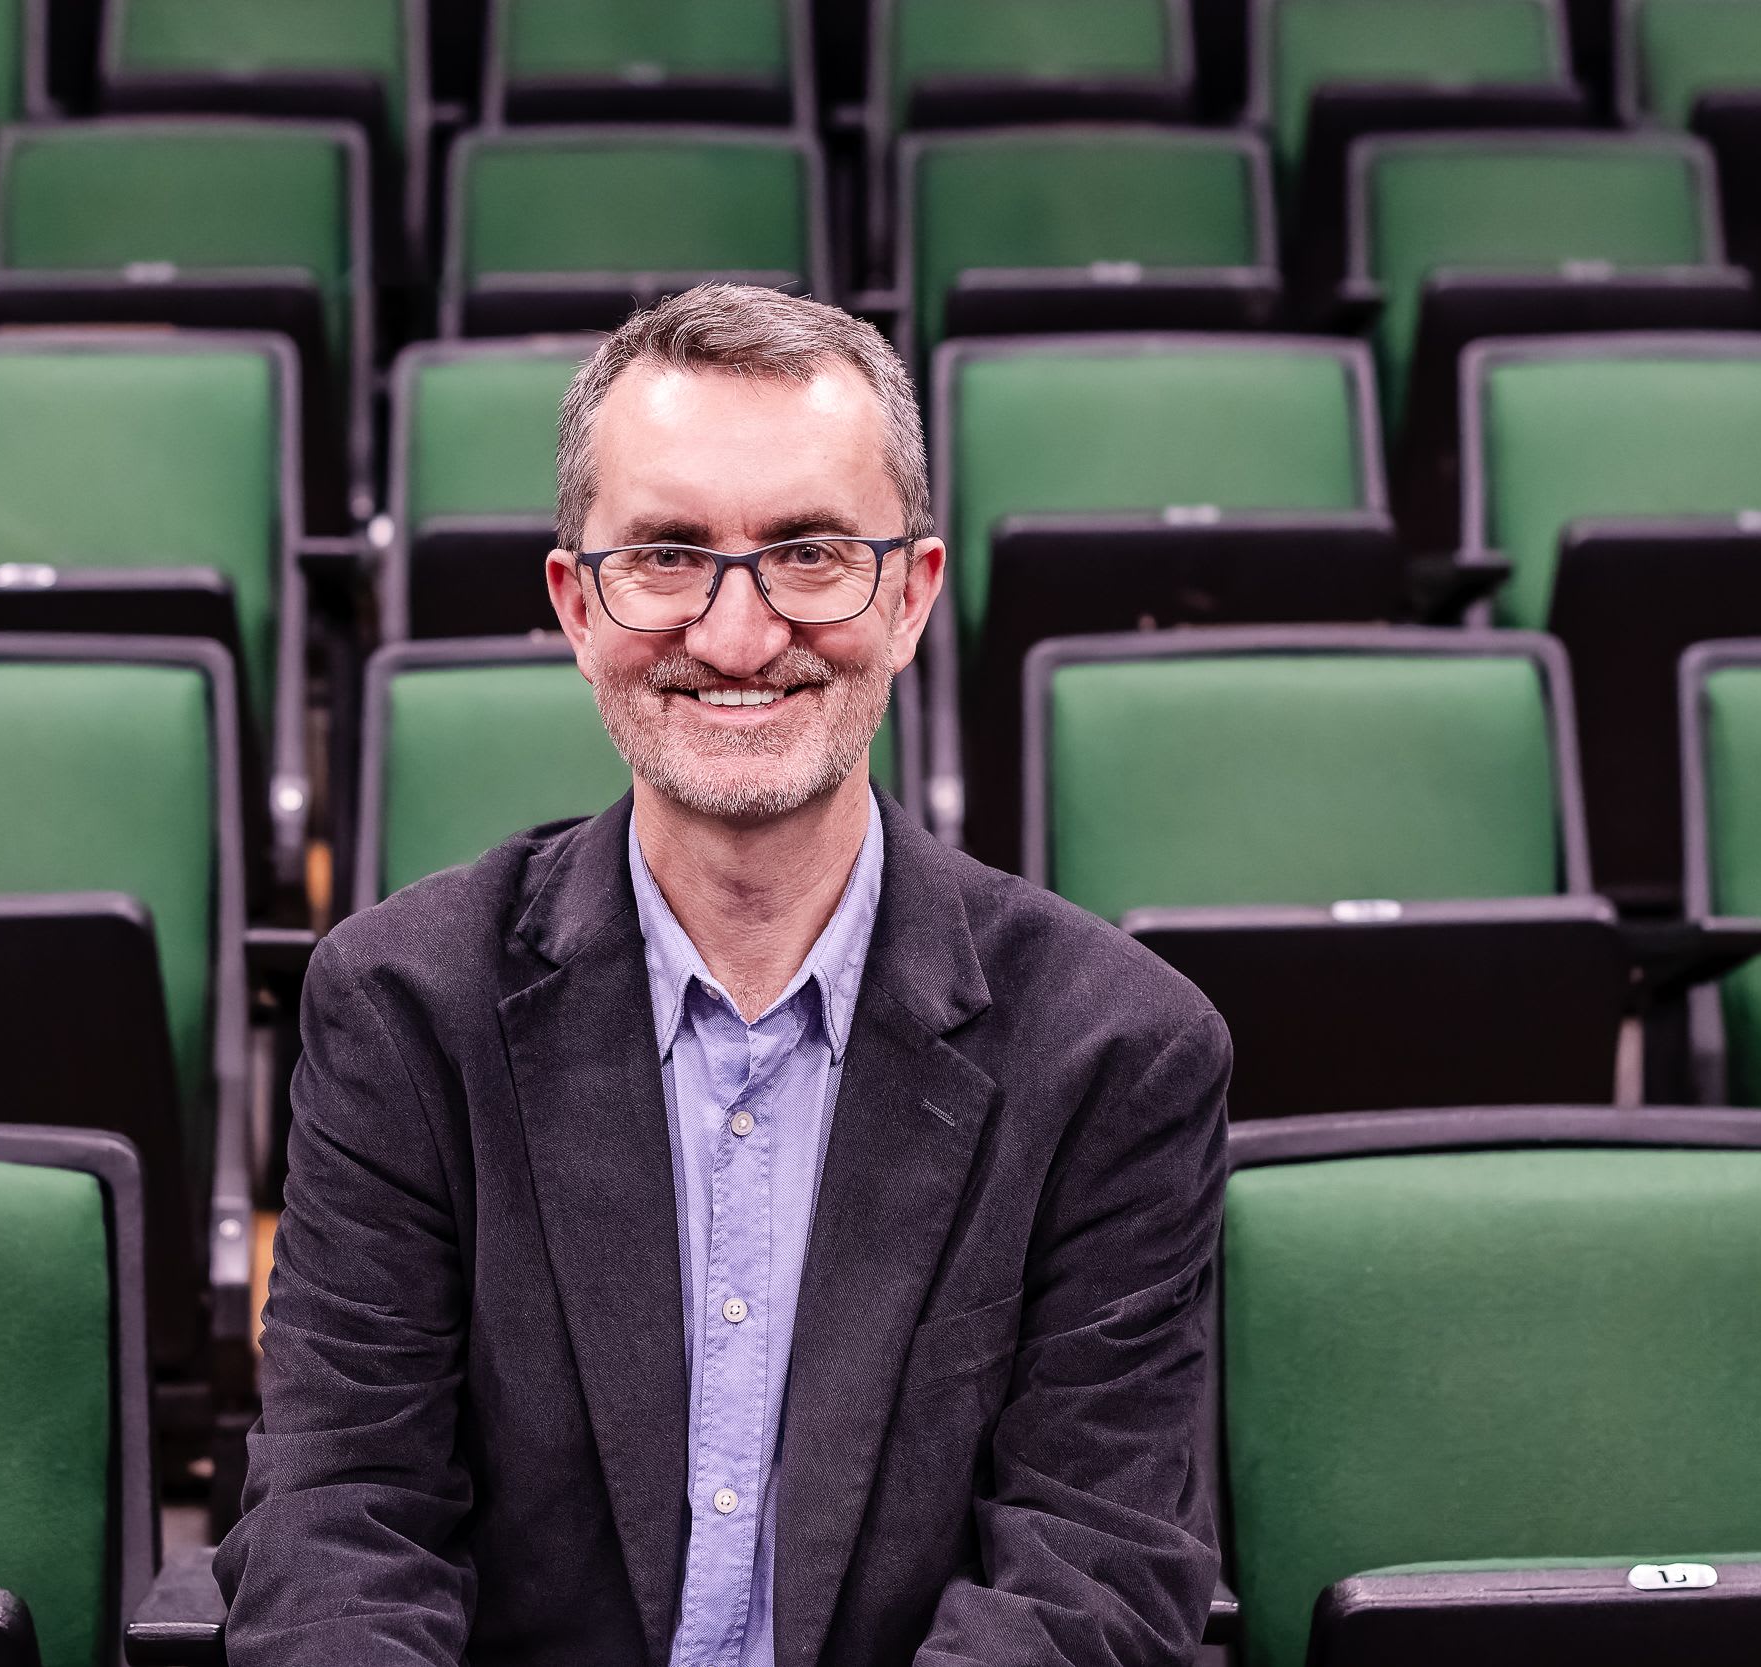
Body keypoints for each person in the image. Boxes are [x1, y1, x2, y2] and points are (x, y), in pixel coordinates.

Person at [217, 283, 1230, 1666]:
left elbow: (1094, 1575)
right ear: (577, 605)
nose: (740, 635)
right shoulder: (401, 1010)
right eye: (669, 556)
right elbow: (340, 1527)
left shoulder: (1118, 1051)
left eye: (810, 553)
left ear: (913, 595)